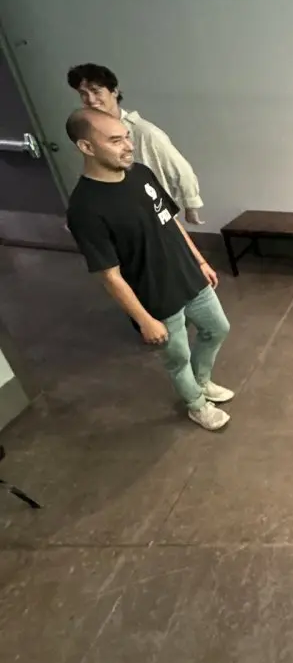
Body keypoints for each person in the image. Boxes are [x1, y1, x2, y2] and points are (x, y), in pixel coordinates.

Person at [65, 108, 233, 431]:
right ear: (86, 147)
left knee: (218, 329)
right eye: (115, 140)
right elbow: (110, 276)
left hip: (188, 275)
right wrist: (145, 320)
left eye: (127, 137)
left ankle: (202, 382)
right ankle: (196, 404)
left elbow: (170, 220)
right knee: (178, 357)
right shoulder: (84, 208)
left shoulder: (141, 174)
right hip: (156, 296)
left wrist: (199, 260)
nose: (128, 146)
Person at [68, 63, 204, 224]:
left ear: (114, 92)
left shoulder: (145, 132)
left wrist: (191, 206)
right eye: (83, 94)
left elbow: (181, 169)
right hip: (119, 214)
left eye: (96, 91)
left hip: (153, 214)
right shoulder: (89, 131)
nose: (90, 100)